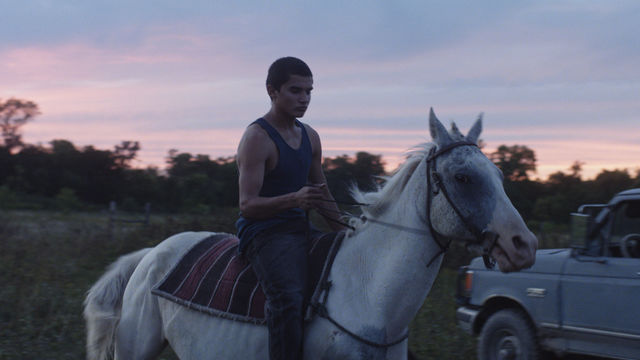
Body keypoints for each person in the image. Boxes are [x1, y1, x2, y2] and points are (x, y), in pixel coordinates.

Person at [235, 57, 343, 360]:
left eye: (309, 91)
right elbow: (247, 206)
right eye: (295, 91)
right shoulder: (257, 138)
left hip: (300, 227)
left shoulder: (310, 136)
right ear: (272, 90)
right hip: (265, 232)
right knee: (288, 299)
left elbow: (323, 194)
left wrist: (347, 232)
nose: (304, 99)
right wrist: (294, 200)